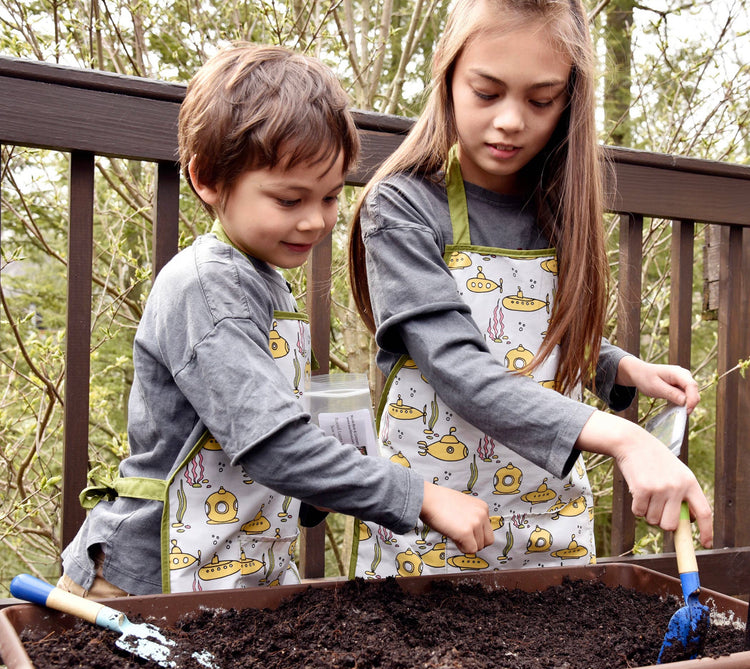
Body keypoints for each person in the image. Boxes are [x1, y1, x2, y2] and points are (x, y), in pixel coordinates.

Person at [59, 43, 493, 598]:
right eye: (289, 200)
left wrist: (316, 491)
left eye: (331, 196)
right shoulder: (207, 286)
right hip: (142, 583)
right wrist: (420, 496)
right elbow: (271, 446)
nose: (315, 220)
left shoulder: (261, 279)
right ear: (209, 180)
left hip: (229, 565)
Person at [347, 0, 713, 579]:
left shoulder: (557, 207)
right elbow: (459, 364)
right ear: (447, 74)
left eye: (540, 99)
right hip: (434, 537)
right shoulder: (402, 206)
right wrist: (622, 438)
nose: (512, 120)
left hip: (551, 528)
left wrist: (615, 367)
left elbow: (530, 335)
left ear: (569, 100)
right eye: (487, 92)